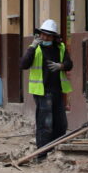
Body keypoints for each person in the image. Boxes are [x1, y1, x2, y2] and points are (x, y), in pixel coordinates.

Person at [21, 19, 73, 153]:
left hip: (57, 90)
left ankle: (56, 150)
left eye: (48, 35)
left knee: (60, 124)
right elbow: (23, 64)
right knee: (45, 123)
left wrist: (61, 66)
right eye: (43, 34)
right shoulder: (35, 48)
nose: (45, 37)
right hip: (42, 91)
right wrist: (32, 47)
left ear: (54, 37)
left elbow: (69, 64)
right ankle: (42, 153)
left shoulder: (60, 48)